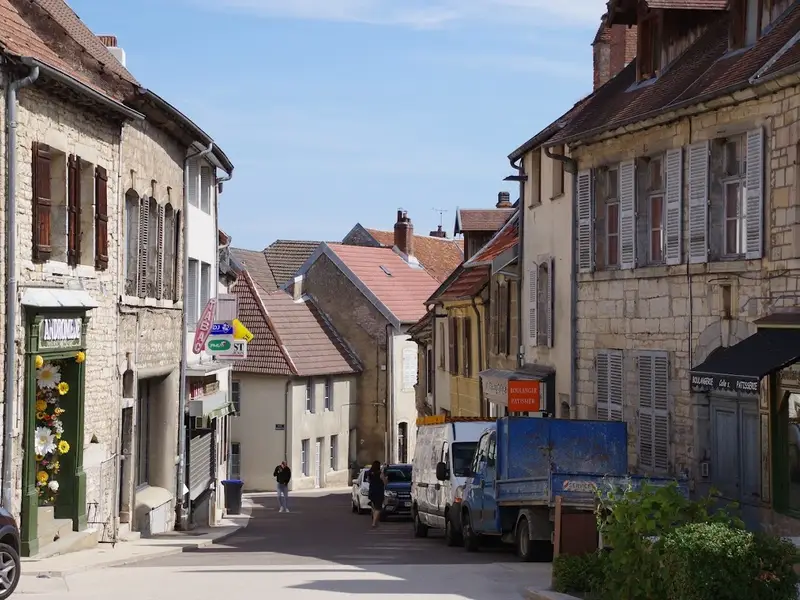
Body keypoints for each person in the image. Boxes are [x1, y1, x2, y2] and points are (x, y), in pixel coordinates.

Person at [367, 460, 387, 528]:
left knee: (374, 507)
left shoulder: (370, 473)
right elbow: (385, 482)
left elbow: (369, 481)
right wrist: (385, 479)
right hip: (379, 492)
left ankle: (375, 520)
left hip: (372, 491)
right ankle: (374, 523)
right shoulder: (380, 473)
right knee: (378, 508)